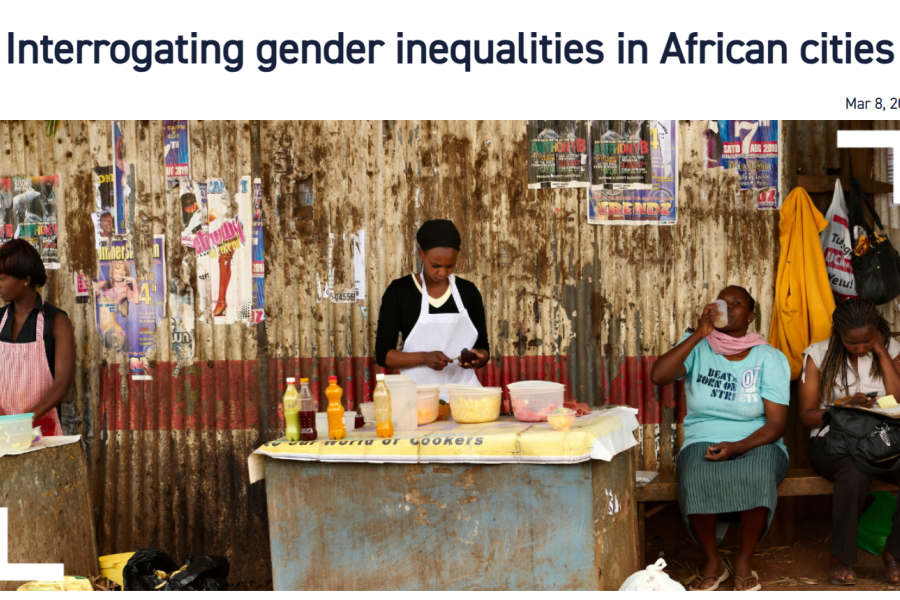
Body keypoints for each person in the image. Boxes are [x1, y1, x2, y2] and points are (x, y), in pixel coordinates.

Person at [650, 286, 790, 591]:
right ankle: (712, 560)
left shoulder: (769, 357)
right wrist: (700, 333)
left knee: (757, 471)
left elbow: (777, 424)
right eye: (721, 303)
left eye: (736, 304)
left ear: (751, 316)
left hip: (757, 439)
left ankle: (744, 560)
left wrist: (737, 446)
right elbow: (659, 375)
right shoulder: (698, 346)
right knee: (697, 474)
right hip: (705, 436)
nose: (727, 308)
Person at [798, 298, 900, 586]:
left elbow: (898, 399)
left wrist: (881, 350)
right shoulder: (817, 355)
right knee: (854, 474)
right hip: (834, 442)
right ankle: (840, 558)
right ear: (838, 333)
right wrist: (842, 408)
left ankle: (894, 554)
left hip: (882, 440)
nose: (860, 348)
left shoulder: (889, 350)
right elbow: (806, 416)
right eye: (852, 343)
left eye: (867, 340)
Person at [375, 219, 490, 397]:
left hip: (466, 393)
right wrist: (423, 357)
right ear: (421, 254)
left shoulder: (468, 292)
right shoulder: (399, 292)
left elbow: (483, 347)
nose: (442, 273)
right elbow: (384, 355)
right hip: (418, 396)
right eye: (435, 265)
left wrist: (478, 358)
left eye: (450, 265)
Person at [0, 239, 74, 436]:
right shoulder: (0, 320)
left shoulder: (56, 321)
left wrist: (24, 420)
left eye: (3, 278)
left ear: (25, 279)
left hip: (42, 430)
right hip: (3, 428)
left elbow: (63, 383)